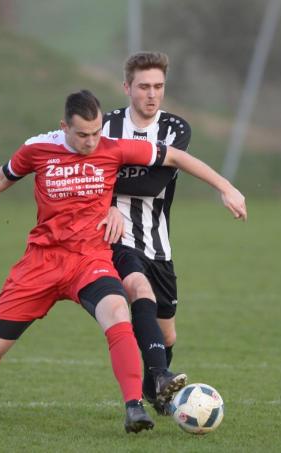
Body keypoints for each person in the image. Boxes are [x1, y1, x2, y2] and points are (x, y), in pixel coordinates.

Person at [0, 90, 246, 433]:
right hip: (42, 262)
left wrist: (225, 186)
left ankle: (134, 407)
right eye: (82, 134)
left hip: (89, 259)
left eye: (96, 132)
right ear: (64, 126)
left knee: (117, 310)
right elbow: (1, 178)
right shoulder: (38, 149)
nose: (91, 141)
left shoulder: (112, 147)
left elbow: (175, 158)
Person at [98, 52, 192, 415]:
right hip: (117, 237)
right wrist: (104, 202)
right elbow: (87, 169)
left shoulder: (175, 129)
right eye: (143, 87)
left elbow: (155, 182)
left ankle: (155, 386)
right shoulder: (104, 126)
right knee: (138, 287)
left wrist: (106, 179)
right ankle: (158, 376)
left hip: (159, 242)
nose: (152, 95)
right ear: (127, 88)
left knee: (167, 335)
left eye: (158, 87)